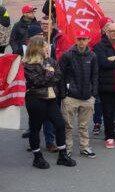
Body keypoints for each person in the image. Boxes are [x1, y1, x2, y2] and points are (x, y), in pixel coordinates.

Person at [23, 36, 76, 169]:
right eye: (44, 45)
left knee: (59, 124)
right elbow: (37, 82)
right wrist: (48, 74)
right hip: (35, 99)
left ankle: (62, 155)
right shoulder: (28, 64)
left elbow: (58, 75)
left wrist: (48, 75)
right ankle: (37, 157)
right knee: (35, 128)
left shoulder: (50, 60)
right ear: (37, 47)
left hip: (51, 98)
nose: (47, 48)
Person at [58, 31, 99, 158]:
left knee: (84, 125)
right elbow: (61, 76)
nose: (81, 42)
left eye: (84, 39)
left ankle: (85, 147)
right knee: (68, 126)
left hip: (87, 97)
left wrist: (93, 94)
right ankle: (67, 148)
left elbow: (95, 75)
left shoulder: (92, 56)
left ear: (89, 40)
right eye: (79, 39)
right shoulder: (67, 55)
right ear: (75, 39)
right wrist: (64, 95)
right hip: (70, 97)